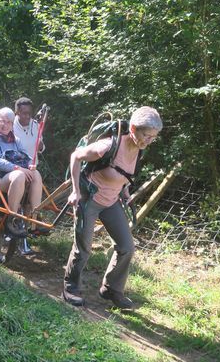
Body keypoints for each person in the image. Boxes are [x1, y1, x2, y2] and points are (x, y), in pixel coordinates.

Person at [62, 106, 162, 309]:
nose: (148, 141)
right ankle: (70, 287)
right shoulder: (108, 146)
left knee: (126, 247)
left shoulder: (139, 149)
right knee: (84, 248)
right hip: (90, 199)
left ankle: (111, 288)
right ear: (133, 128)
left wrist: (124, 191)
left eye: (153, 137)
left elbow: (123, 173)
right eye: (145, 135)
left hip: (111, 201)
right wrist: (75, 191)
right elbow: (76, 157)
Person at [0, 107, 45, 237]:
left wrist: (30, 165)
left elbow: (26, 157)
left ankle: (35, 217)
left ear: (12, 124)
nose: (4, 124)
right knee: (19, 175)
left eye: (8, 122)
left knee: (36, 174)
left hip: (15, 178)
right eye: (1, 121)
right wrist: (16, 168)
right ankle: (12, 219)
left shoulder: (16, 140)